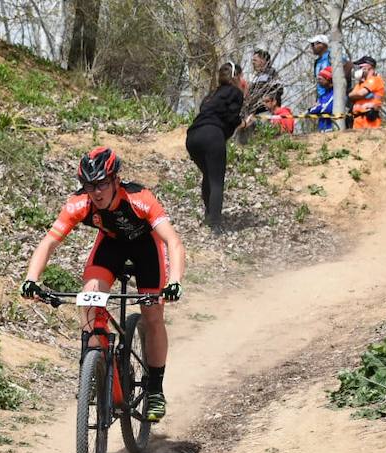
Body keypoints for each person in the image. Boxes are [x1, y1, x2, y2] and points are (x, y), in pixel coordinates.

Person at [21, 147, 185, 422]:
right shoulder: (79, 203)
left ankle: (155, 389)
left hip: (146, 250)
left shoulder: (139, 198)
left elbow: (173, 242)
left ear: (115, 181)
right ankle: (94, 369)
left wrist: (175, 282)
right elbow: (49, 242)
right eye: (89, 185)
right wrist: (31, 279)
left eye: (101, 184)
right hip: (110, 247)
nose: (95, 192)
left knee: (153, 314)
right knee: (88, 299)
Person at [183, 65, 243, 231]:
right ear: (236, 76)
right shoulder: (235, 93)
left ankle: (209, 216)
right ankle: (215, 224)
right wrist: (241, 122)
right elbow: (231, 118)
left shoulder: (211, 95)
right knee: (217, 180)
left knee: (208, 175)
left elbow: (211, 112)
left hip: (192, 137)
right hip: (212, 135)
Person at [349, 55, 385, 128]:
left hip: (370, 121)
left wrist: (356, 95)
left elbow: (360, 93)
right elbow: (350, 96)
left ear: (368, 66)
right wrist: (354, 95)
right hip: (357, 120)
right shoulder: (360, 84)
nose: (359, 69)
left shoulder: (375, 79)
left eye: (360, 67)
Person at [308, 65, 338, 131]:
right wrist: (312, 109)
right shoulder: (322, 96)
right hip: (321, 130)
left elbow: (325, 109)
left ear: (328, 79)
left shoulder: (335, 94)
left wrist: (317, 107)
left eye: (320, 79)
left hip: (331, 129)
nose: (318, 82)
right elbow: (312, 111)